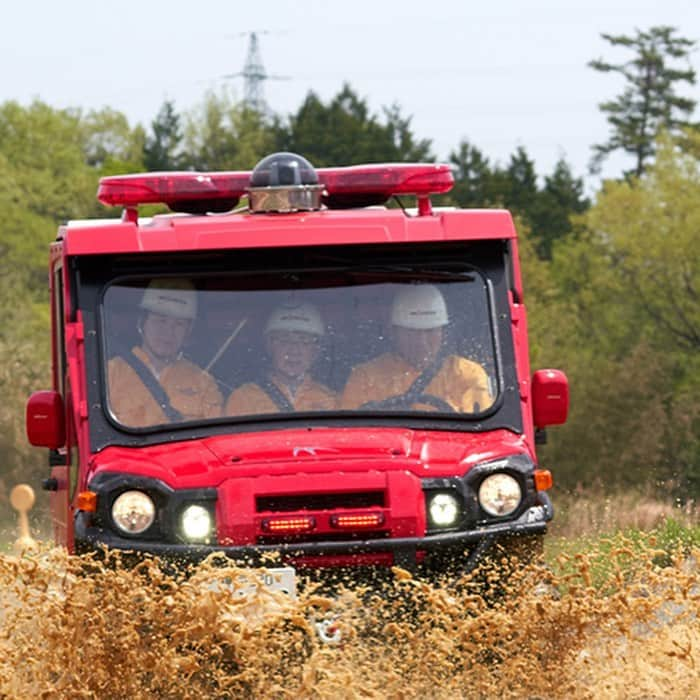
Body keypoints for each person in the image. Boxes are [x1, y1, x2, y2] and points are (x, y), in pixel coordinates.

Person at [341, 284, 493, 413]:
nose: (421, 341)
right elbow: (352, 433)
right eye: (411, 332)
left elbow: (478, 434)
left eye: (430, 331)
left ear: (443, 332)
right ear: (393, 332)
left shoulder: (466, 374)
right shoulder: (365, 378)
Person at [108, 279, 222, 427]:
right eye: (160, 321)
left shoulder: (203, 383)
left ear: (189, 331)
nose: (168, 332)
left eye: (179, 324)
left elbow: (213, 438)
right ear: (142, 322)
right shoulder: (110, 374)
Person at [225, 301, 336, 415]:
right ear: (269, 346)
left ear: (316, 351)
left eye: (304, 341)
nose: (294, 350)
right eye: (284, 339)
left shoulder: (331, 400)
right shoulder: (244, 398)